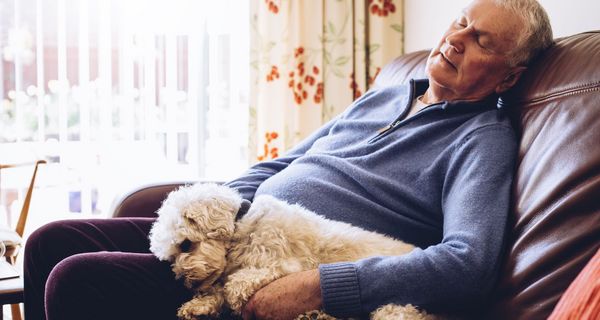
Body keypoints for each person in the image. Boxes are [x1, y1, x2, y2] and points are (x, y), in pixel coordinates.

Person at [23, 0, 553, 319]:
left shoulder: (482, 142)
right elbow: (286, 162)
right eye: (461, 22)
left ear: (508, 75)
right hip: (240, 233)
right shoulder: (392, 91)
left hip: (277, 267)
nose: (457, 38)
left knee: (76, 279)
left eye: (480, 39)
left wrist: (321, 285)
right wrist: (220, 207)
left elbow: (467, 264)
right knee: (52, 239)